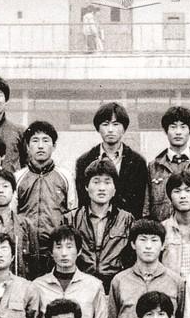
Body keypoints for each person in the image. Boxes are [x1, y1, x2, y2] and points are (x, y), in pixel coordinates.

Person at [32, 225, 109, 318]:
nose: (64, 253)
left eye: (69, 247)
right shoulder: (38, 286)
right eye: (58, 247)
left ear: (79, 251)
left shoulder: (94, 285)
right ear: (51, 252)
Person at [15, 120, 78, 277]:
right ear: (28, 147)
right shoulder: (18, 178)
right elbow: (12, 214)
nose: (40, 146)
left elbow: (73, 214)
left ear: (54, 146)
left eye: (46, 140)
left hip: (56, 250)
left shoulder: (66, 177)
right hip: (25, 250)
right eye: (35, 141)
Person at [108, 219, 181, 318]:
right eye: (143, 240)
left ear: (163, 245)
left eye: (154, 240)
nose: (148, 246)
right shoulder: (119, 280)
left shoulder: (175, 281)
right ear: (133, 244)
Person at [68, 159, 135, 289]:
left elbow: (132, 259)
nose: (102, 188)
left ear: (114, 189)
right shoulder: (71, 219)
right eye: (96, 182)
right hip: (80, 286)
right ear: (86, 187)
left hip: (116, 286)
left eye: (107, 182)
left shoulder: (127, 220)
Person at [75, 102, 149, 218]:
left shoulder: (137, 162)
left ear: (124, 128)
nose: (110, 130)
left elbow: (139, 203)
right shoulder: (84, 161)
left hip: (127, 224)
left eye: (116, 124)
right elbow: (83, 200)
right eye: (105, 124)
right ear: (98, 128)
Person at [148, 106, 190, 221]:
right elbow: (146, 205)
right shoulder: (154, 167)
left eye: (183, 127)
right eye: (173, 127)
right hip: (163, 228)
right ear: (166, 131)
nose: (178, 132)